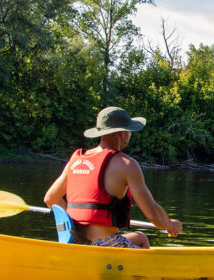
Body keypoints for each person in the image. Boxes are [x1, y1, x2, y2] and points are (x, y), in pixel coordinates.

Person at [44, 106, 182, 248]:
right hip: (103, 245)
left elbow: (50, 199)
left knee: (140, 237)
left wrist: (74, 222)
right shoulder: (127, 164)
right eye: (130, 131)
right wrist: (171, 225)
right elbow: (153, 214)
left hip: (76, 241)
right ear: (122, 133)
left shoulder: (76, 160)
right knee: (140, 243)